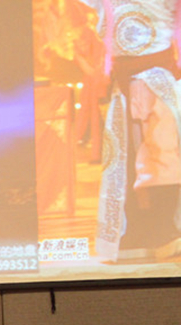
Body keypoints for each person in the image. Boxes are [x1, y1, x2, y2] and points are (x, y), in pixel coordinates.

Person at [76, 0, 181, 260]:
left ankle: (165, 230)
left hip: (161, 81)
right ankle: (135, 233)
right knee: (128, 161)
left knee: (163, 158)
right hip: (125, 86)